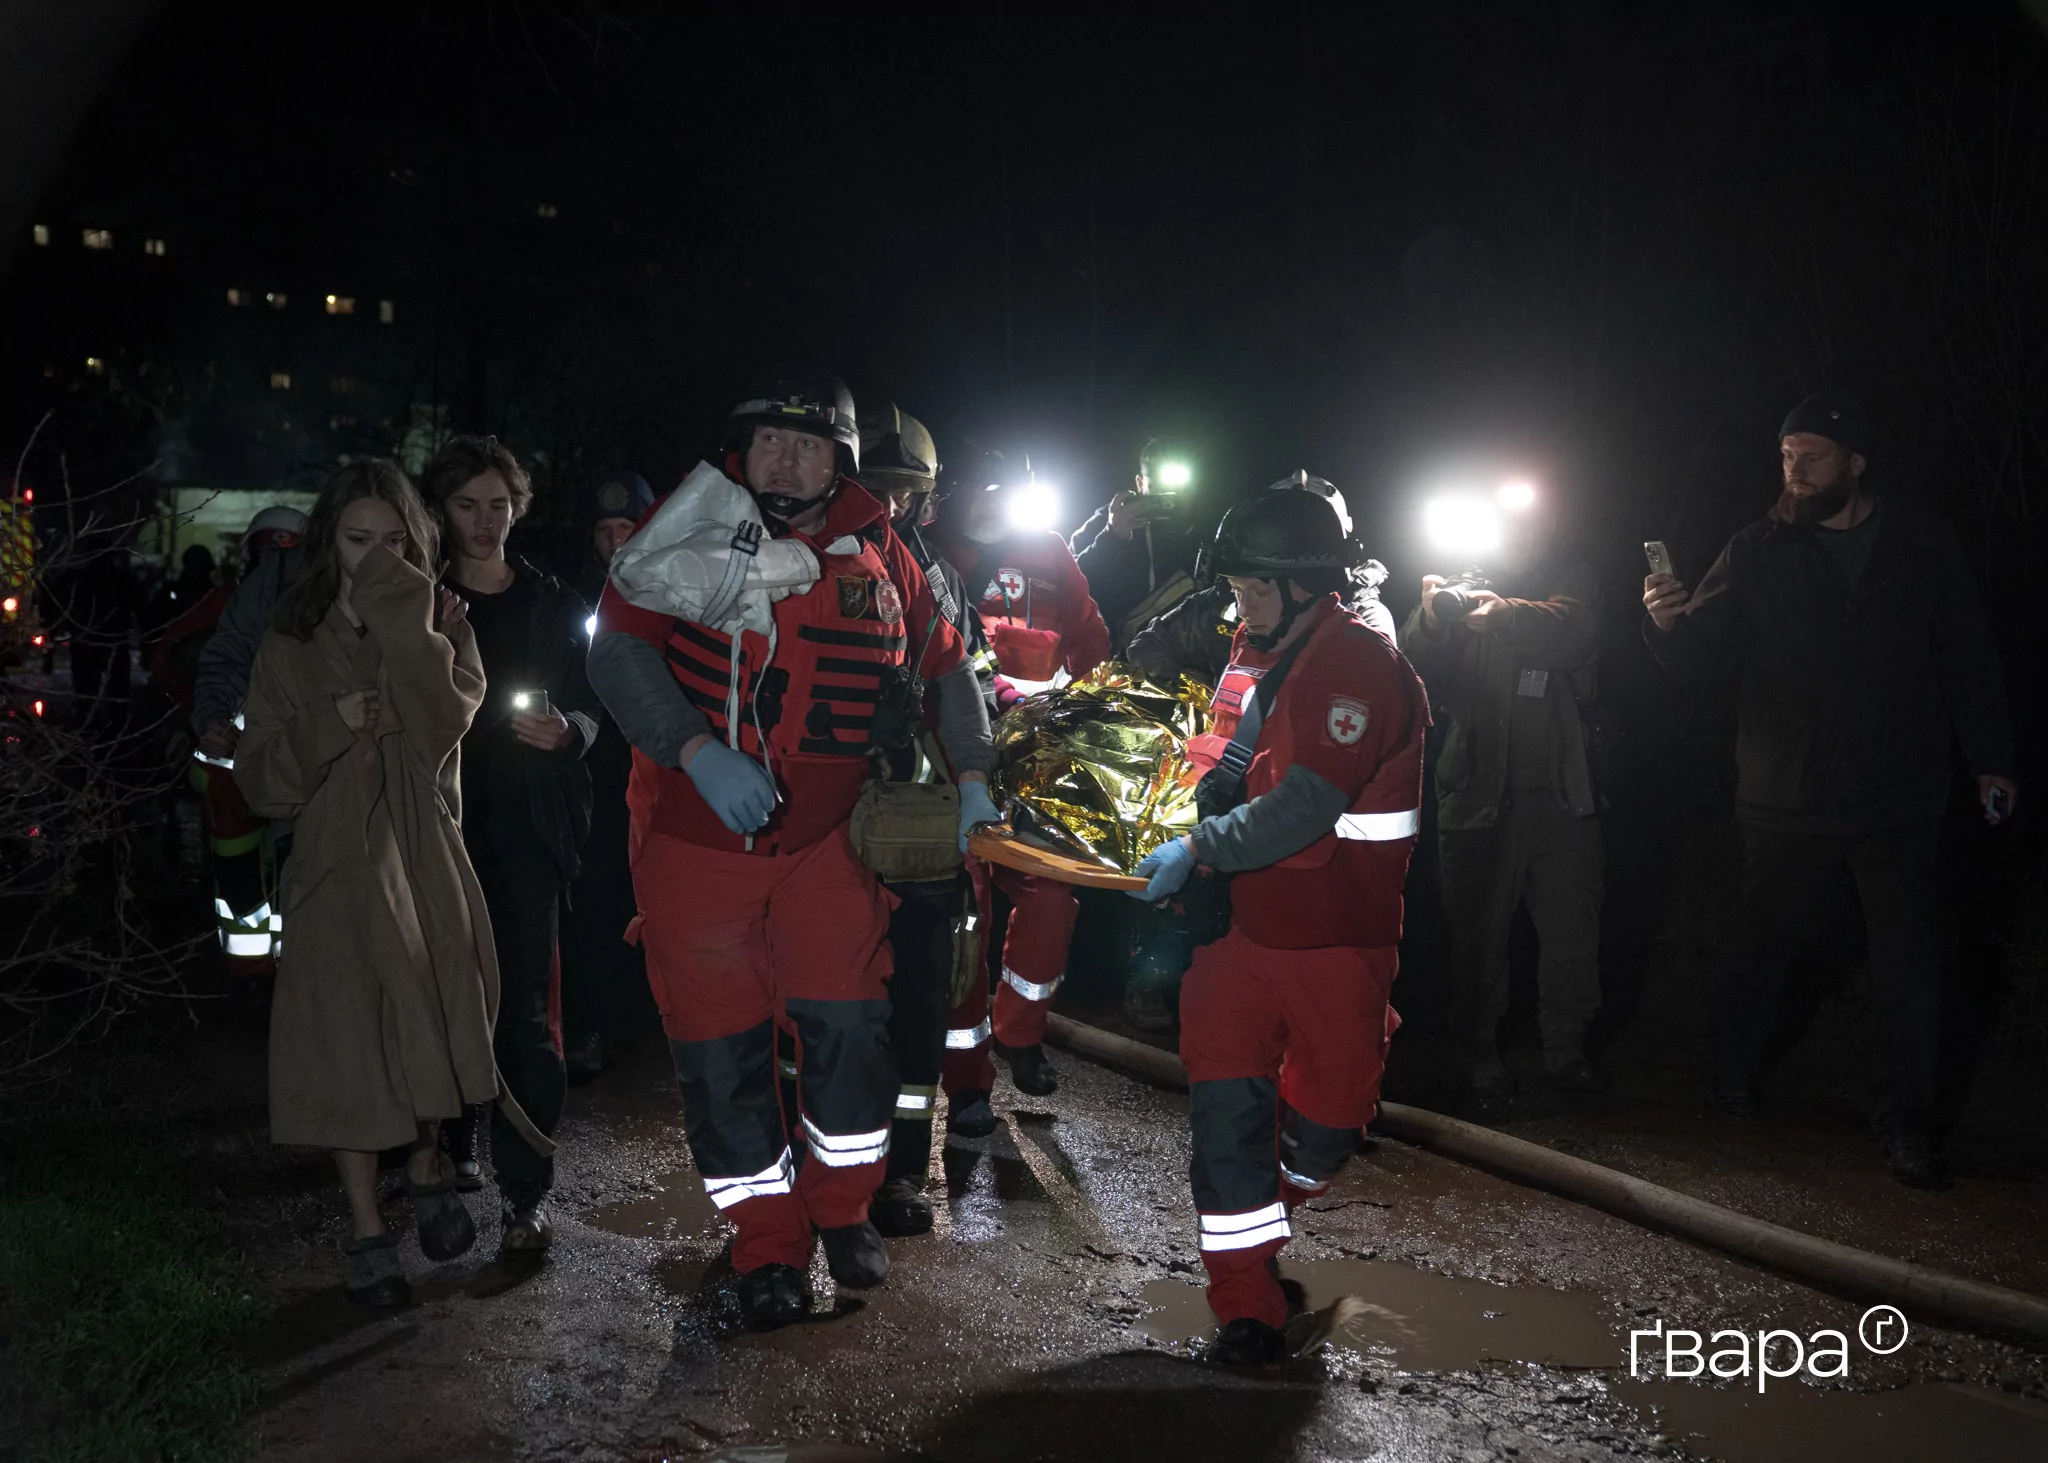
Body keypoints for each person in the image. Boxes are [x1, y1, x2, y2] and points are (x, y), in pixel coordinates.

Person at [586, 372, 996, 1331]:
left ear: (841, 460)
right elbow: (615, 648)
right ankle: (766, 1245)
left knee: (851, 1033)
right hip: (699, 841)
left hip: (829, 844)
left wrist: (971, 774)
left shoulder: (889, 551)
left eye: (806, 443)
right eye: (766, 439)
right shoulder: (686, 530)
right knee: (724, 1059)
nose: (783, 457)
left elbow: (950, 668)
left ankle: (839, 1206)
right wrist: (696, 751)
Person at [1643, 390, 2016, 1189]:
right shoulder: (1756, 548)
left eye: (1812, 456)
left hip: (1898, 795)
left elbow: (1968, 653)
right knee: (1760, 945)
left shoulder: (1920, 544)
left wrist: (1993, 757)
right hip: (1786, 793)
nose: (1796, 470)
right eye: (1786, 456)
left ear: (1855, 462)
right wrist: (1667, 623)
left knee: (1909, 962)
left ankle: (1906, 1121)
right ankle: (1731, 1079)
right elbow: (1698, 659)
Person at [1126, 490, 1427, 1365]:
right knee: (1225, 1121)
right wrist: (1188, 809)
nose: (1238, 610)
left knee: (1328, 1123)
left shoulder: (1359, 666)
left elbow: (1305, 805)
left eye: (1252, 592)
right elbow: (1232, 761)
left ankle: (1277, 1207)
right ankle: (1245, 1308)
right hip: (1240, 938)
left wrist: (1198, 845)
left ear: (1302, 588)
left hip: (1337, 944)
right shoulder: (1273, 650)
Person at [237, 458, 548, 1307]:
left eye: (395, 542)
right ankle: (367, 1226)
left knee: (433, 1016)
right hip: (336, 869)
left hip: (421, 858)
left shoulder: (441, 625)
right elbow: (262, 777)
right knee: (346, 1042)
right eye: (357, 539)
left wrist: (412, 626)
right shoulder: (288, 642)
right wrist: (325, 725)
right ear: (325, 542)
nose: (376, 557)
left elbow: (450, 721)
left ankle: (425, 1161)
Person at [422, 435, 598, 1256]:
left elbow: (601, 703)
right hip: (438, 829)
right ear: (440, 509)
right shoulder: (420, 601)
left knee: (526, 1010)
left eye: (499, 504)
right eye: (468, 505)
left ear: (518, 508)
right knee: (443, 997)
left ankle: (525, 1195)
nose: (485, 521)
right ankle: (447, 1149)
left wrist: (571, 731)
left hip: (527, 832)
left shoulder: (552, 603)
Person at [1401, 487, 1605, 1100]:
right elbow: (1407, 664)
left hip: (1562, 796)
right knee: (1477, 938)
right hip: (1475, 793)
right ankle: (1479, 1053)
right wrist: (1434, 617)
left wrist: (1509, 613)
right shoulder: (1458, 590)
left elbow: (1575, 630)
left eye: (1529, 524)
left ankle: (1565, 1052)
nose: (1519, 535)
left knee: (1572, 936)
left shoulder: (1572, 578)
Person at [856, 405, 1006, 1238]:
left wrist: (977, 777)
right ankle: (820, 1166)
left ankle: (904, 1169)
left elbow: (961, 685)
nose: (887, 503)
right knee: (824, 1007)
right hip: (825, 821)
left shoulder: (932, 578)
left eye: (901, 490)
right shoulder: (802, 561)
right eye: (872, 484)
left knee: (918, 1001)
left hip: (915, 824)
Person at [930, 458, 1110, 1096]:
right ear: (952, 492)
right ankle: (966, 1076)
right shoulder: (926, 549)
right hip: (949, 763)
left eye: (1009, 491)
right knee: (963, 915)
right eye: (985, 489)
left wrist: (1096, 717)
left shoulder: (1048, 550)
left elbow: (1089, 638)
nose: (998, 503)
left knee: (1052, 900)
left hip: (1037, 764)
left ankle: (1020, 1033)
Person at [153, 505, 307, 979]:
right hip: (233, 759)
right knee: (242, 861)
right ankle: (253, 969)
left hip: (287, 756)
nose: (274, 560)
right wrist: (205, 719)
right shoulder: (233, 601)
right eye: (269, 550)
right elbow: (172, 656)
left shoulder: (311, 599)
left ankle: (272, 968)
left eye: (283, 549)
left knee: (288, 862)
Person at [561, 468, 657, 1084]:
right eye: (605, 529)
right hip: (597, 772)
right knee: (596, 900)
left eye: (628, 527)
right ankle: (591, 1024)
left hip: (668, 770)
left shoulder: (685, 590)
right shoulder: (570, 596)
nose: (617, 540)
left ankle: (649, 1021)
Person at [1070, 437, 1205, 653]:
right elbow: (1069, 585)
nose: (1171, 498)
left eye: (1180, 488)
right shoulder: (1111, 520)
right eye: (1160, 488)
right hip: (1119, 654)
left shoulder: (1204, 527)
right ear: (1140, 483)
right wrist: (1112, 537)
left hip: (1188, 651)